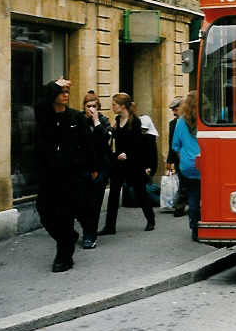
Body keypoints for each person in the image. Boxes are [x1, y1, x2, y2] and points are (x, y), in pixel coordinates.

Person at [34, 78, 95, 272]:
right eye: (62, 92)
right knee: (44, 212)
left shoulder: (76, 117)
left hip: (71, 176)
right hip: (48, 174)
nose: (66, 95)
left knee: (65, 214)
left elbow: (87, 144)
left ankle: (64, 256)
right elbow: (40, 100)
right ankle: (68, 237)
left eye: (68, 92)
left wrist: (91, 168)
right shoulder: (44, 115)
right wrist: (54, 84)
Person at [99, 93, 155, 234]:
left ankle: (150, 219)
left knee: (140, 192)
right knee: (113, 194)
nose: (112, 107)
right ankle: (110, 226)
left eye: (114, 104)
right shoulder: (117, 120)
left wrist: (128, 154)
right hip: (118, 164)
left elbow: (139, 146)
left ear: (122, 106)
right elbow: (114, 141)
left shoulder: (135, 122)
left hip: (133, 164)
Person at [80, 91, 112, 249]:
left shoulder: (104, 121)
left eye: (94, 106)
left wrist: (96, 121)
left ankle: (89, 235)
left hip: (101, 168)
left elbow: (106, 139)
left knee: (94, 204)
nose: (91, 109)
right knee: (82, 203)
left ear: (98, 108)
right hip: (83, 168)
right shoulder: (79, 120)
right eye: (88, 106)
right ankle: (86, 230)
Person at [172, 91, 201, 240]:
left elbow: (175, 145)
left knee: (193, 197)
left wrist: (183, 157)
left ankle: (194, 228)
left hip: (187, 165)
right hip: (205, 163)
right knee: (207, 198)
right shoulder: (206, 119)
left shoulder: (180, 121)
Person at [163, 96, 187, 216]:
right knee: (182, 182)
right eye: (173, 110)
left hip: (188, 157)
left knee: (185, 183)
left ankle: (180, 207)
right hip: (178, 159)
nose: (174, 112)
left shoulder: (190, 121)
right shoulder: (172, 123)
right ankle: (180, 206)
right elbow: (171, 142)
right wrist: (169, 160)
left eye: (176, 109)